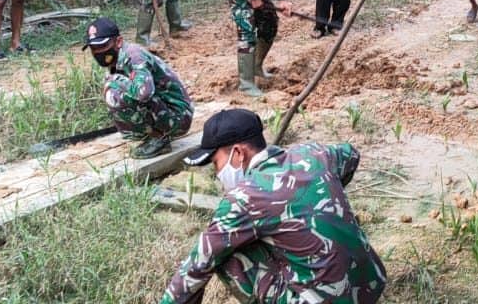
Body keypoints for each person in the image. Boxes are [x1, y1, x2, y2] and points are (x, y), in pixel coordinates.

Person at [160, 108, 387, 304]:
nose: (217, 172)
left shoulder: (243, 199)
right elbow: (351, 154)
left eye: (215, 163)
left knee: (224, 255)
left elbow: (195, 267)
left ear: (238, 153)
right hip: (370, 285)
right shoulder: (314, 154)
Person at [82, 16, 193, 158]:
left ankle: (159, 139)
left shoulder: (134, 56)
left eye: (102, 46)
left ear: (119, 41)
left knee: (114, 89)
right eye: (93, 48)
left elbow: (144, 93)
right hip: (166, 109)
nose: (98, 52)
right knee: (114, 87)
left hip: (179, 117)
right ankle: (154, 135)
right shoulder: (118, 57)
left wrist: (117, 79)